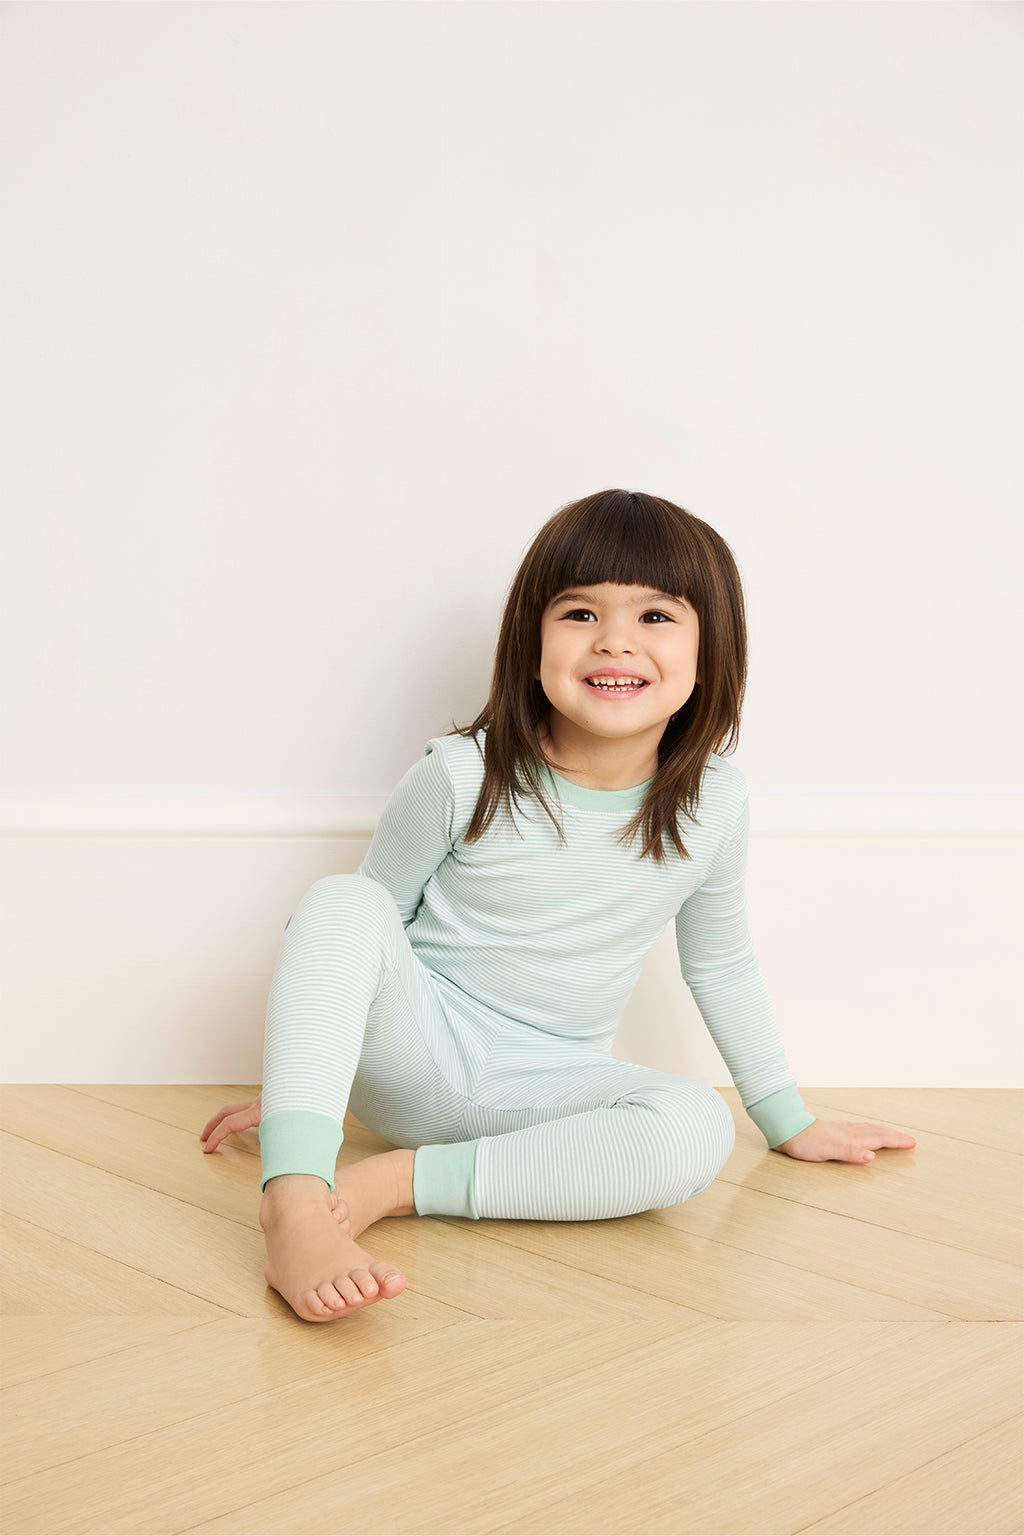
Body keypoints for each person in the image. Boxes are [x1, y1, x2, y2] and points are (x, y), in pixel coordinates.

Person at [200, 488, 917, 1323]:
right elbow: (360, 933)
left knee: (694, 1125)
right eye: (580, 612)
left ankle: (391, 1184)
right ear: (530, 644)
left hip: (545, 1088)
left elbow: (720, 960)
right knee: (339, 901)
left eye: (656, 616)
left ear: (709, 650)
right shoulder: (457, 775)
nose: (615, 638)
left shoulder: (715, 803)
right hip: (415, 1060)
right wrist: (305, 1093)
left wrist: (788, 1119)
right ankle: (293, 1203)